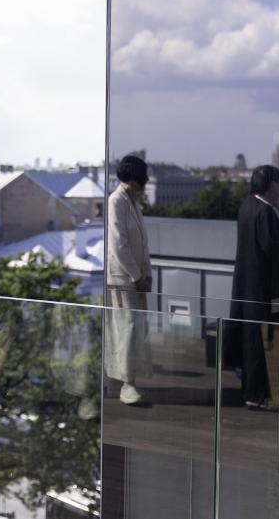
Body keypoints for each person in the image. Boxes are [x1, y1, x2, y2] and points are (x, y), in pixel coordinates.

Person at [225, 164, 279, 410]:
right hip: (262, 284)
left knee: (249, 335)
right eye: (278, 182)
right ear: (268, 185)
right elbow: (272, 248)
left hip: (246, 281)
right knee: (260, 339)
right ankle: (257, 393)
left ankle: (249, 389)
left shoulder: (246, 206)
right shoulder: (265, 212)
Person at [104, 155, 153, 405]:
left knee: (135, 329)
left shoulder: (132, 203)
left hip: (135, 278)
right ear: (134, 180)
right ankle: (126, 383)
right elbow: (119, 245)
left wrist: (147, 274)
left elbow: (141, 243)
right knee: (128, 328)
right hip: (124, 278)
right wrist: (137, 276)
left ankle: (128, 380)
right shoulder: (117, 202)